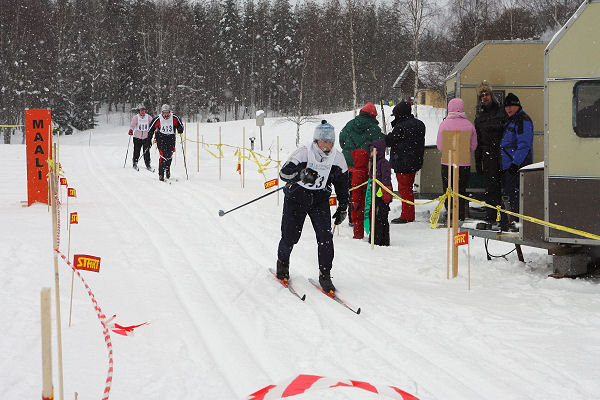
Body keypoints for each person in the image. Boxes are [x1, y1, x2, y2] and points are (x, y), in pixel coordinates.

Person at [276, 120, 349, 293]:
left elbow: (342, 185)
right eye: (324, 141)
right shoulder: (304, 153)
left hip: (319, 200)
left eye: (331, 141)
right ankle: (282, 264)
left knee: (325, 238)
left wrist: (343, 207)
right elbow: (283, 173)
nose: (327, 145)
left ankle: (325, 275)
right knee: (290, 235)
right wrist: (301, 174)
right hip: (296, 197)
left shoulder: (337, 158)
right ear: (316, 141)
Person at [339, 101, 384, 224]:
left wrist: (349, 150)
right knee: (363, 192)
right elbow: (379, 144)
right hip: (364, 166)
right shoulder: (374, 129)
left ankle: (351, 216)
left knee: (351, 191)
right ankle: (362, 217)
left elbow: (341, 138)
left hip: (348, 165)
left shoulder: (350, 124)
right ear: (373, 116)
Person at [436, 98, 478, 221]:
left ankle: (450, 213)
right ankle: (460, 215)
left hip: (447, 162)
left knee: (448, 189)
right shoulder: (469, 125)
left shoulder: (444, 124)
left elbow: (440, 146)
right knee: (461, 189)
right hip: (464, 163)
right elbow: (473, 146)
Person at [385, 100, 425, 224]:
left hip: (403, 162)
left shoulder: (401, 127)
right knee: (408, 188)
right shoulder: (419, 124)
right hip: (415, 161)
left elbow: (390, 141)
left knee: (404, 189)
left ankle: (407, 215)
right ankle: (408, 213)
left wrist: (380, 136)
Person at [474, 81, 506, 225]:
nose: (485, 97)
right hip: (488, 155)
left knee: (505, 187)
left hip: (502, 153)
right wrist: (478, 161)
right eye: (482, 95)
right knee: (491, 187)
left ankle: (505, 217)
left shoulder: (502, 111)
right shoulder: (479, 117)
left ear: (492, 95)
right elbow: (478, 141)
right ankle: (491, 215)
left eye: (487, 94)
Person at [500, 93, 533, 230]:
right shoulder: (511, 120)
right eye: (506, 106)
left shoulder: (522, 120)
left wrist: (515, 164)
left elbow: (524, 144)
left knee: (516, 196)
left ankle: (517, 224)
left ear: (518, 105)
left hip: (518, 166)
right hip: (508, 165)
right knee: (509, 196)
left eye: (511, 106)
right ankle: (509, 223)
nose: (508, 109)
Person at [148, 104, 184, 181]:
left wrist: (180, 129)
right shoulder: (158, 119)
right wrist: (149, 140)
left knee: (169, 155)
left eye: (167, 112)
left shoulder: (174, 117)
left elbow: (180, 125)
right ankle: (161, 174)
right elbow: (150, 129)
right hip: (161, 138)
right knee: (163, 155)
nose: (166, 114)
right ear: (162, 112)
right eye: (165, 112)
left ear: (169, 112)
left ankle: (167, 169)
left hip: (171, 138)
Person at [367, 139, 393, 246]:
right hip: (375, 194)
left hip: (382, 195)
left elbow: (386, 179)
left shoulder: (384, 163)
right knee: (375, 216)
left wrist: (385, 192)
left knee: (381, 217)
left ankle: (381, 240)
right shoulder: (373, 163)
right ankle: (375, 237)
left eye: (374, 151)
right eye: (371, 150)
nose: (372, 153)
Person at [350, 148, 369, 239]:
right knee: (363, 216)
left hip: (359, 199)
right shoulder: (366, 170)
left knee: (357, 217)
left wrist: (355, 201)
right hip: (366, 197)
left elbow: (356, 189)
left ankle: (358, 235)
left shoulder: (357, 173)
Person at [128, 104, 153, 171]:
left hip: (146, 137)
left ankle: (148, 164)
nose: (142, 112)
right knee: (137, 150)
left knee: (146, 151)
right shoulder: (136, 117)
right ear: (139, 111)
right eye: (141, 110)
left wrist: (156, 131)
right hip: (137, 137)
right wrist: (131, 130)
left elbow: (152, 125)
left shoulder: (148, 117)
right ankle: (135, 162)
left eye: (144, 110)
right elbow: (132, 125)